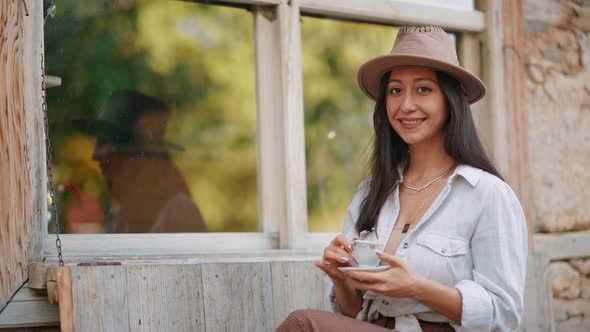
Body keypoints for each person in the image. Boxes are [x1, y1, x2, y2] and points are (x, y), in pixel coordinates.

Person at [277, 26, 527, 331]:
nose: (406, 105)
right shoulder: (371, 192)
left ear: (450, 100)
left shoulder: (487, 194)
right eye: (395, 90)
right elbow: (351, 313)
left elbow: (505, 314)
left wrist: (415, 287)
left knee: (303, 324)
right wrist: (342, 280)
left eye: (423, 89)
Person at [72, 89, 207, 233]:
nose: (95, 155)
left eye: (104, 142)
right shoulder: (118, 219)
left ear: (135, 155)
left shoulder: (179, 213)